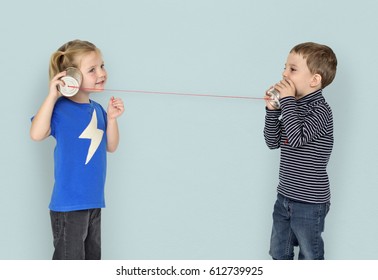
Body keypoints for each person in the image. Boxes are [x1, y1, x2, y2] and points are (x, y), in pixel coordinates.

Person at [30, 39, 125, 260]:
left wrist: (112, 119)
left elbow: (111, 146)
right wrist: (53, 96)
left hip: (93, 202)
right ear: (71, 77)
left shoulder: (99, 110)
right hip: (68, 206)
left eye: (102, 65)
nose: (101, 72)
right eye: (92, 69)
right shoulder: (60, 109)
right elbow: (36, 134)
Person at [263, 42, 337, 260]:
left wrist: (286, 102)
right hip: (284, 197)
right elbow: (272, 142)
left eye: (292, 69)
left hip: (310, 203)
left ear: (314, 80)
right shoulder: (292, 106)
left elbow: (296, 140)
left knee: (309, 256)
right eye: (284, 67)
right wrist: (271, 111)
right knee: (278, 252)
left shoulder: (321, 111)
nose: (284, 74)